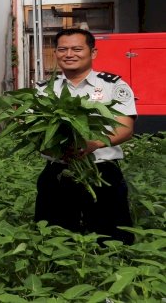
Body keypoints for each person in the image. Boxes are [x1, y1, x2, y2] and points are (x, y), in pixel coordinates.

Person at [34, 28, 136, 244]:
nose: (69, 54)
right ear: (56, 53)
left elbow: (126, 127)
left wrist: (94, 143)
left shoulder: (112, 85)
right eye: (62, 49)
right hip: (58, 171)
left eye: (77, 49)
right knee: (53, 238)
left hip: (102, 172)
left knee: (112, 239)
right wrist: (55, 147)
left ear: (93, 52)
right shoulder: (43, 89)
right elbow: (36, 133)